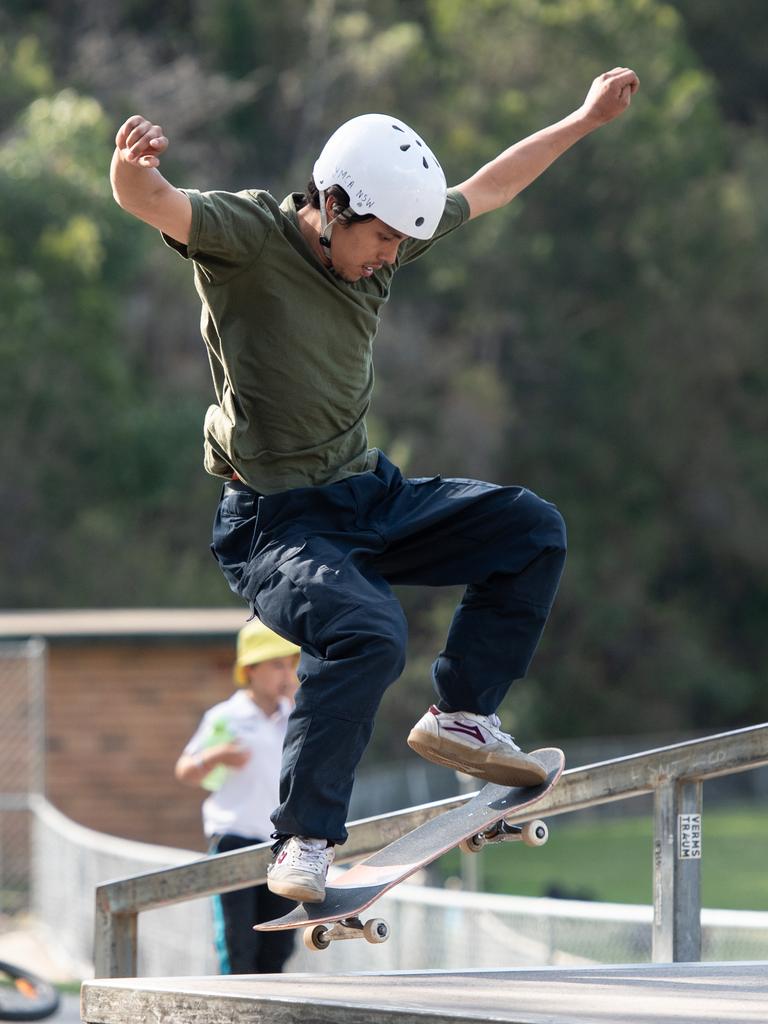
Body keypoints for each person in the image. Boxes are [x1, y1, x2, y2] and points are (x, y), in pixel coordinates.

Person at [112, 66, 639, 905]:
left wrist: (582, 118)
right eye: (382, 240)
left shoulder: (384, 235)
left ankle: (461, 714)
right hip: (277, 526)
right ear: (335, 205)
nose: (390, 258)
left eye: (400, 243)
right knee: (368, 631)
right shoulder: (247, 237)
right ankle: (304, 838)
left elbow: (488, 188)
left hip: (367, 496)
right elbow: (157, 204)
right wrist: (132, 168)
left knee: (530, 529)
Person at [175, 619, 301, 973]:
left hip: (280, 843)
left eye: (290, 664)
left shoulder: (293, 715)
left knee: (279, 941)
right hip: (233, 837)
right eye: (277, 664)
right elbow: (185, 770)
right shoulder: (226, 716)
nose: (286, 673)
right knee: (238, 940)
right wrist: (215, 757)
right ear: (250, 670)